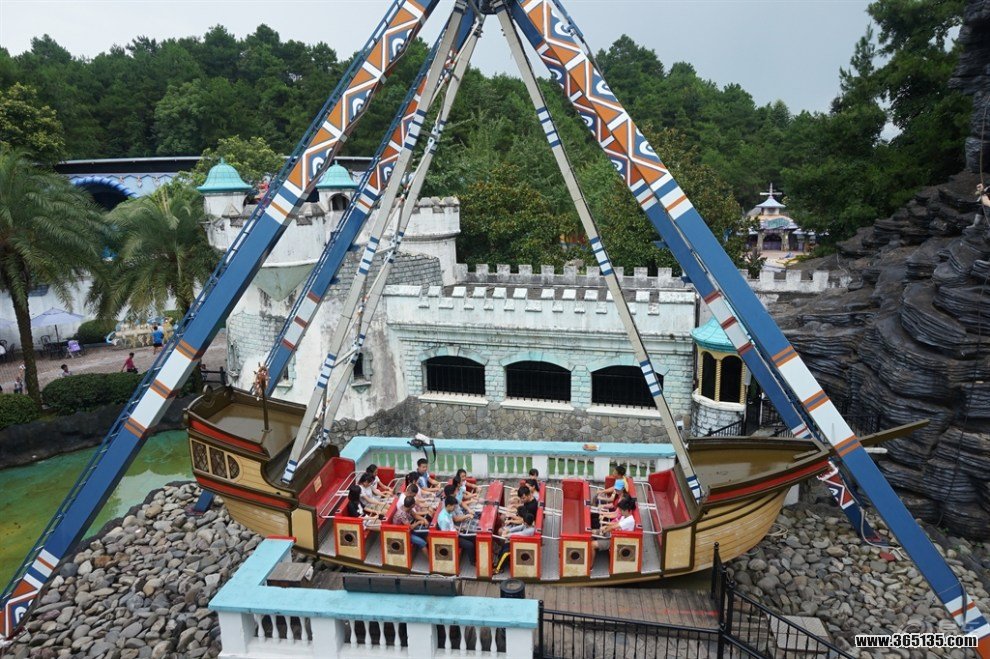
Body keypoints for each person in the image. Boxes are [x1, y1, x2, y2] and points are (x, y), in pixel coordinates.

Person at [592, 498, 637, 563]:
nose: (620, 512)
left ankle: (590, 566)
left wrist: (605, 530)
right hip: (613, 535)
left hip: (617, 541)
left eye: (621, 510)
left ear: (627, 510)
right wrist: (606, 526)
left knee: (592, 545)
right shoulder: (624, 516)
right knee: (592, 531)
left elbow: (614, 527)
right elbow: (616, 524)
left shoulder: (629, 520)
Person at [437, 495, 476, 565]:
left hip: (455, 532)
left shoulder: (448, 512)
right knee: (470, 545)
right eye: (453, 507)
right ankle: (473, 562)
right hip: (452, 538)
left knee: (473, 536)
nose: (454, 508)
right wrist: (456, 533)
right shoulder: (444, 519)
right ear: (448, 505)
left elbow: (451, 525)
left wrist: (458, 528)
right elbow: (445, 534)